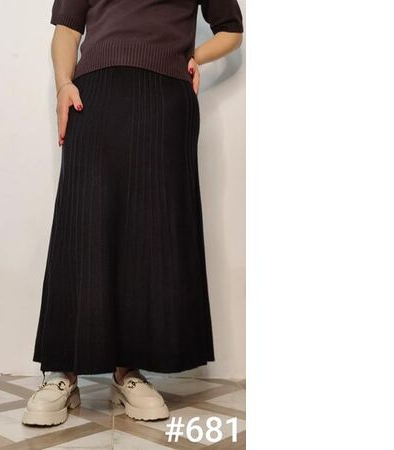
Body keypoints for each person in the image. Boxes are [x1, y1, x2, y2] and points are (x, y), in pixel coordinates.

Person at [23, 0, 243, 426]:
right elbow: (67, 28)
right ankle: (62, 370)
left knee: (151, 233)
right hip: (93, 95)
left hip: (166, 98)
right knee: (81, 223)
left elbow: (231, 30)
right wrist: (64, 85)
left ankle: (129, 371)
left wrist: (194, 57)